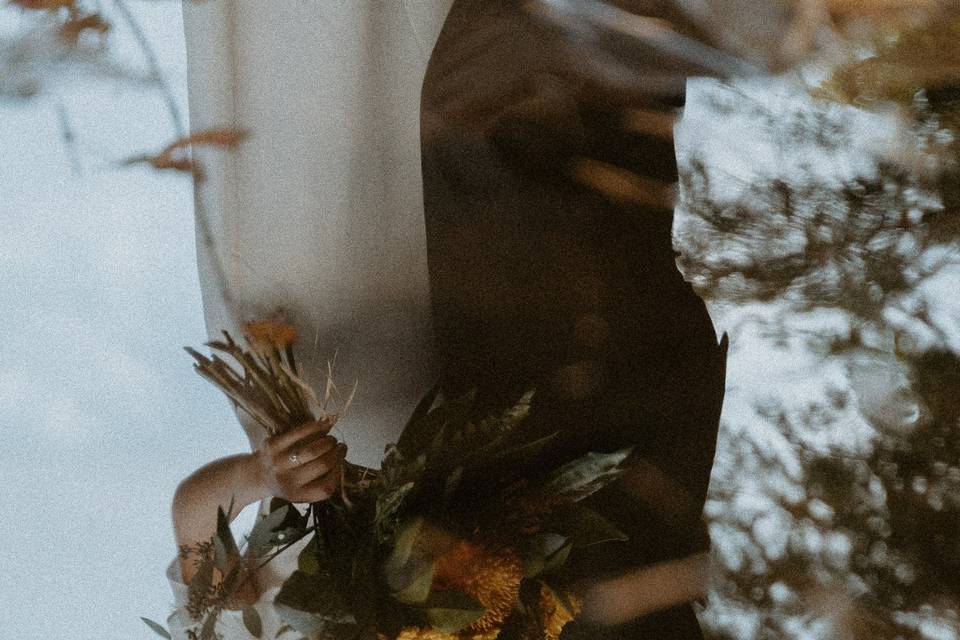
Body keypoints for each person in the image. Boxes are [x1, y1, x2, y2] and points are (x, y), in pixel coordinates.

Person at [167, 0, 887, 638]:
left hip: (460, 384)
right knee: (567, 147)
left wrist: (266, 473)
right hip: (604, 480)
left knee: (502, 106)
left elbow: (202, 550)